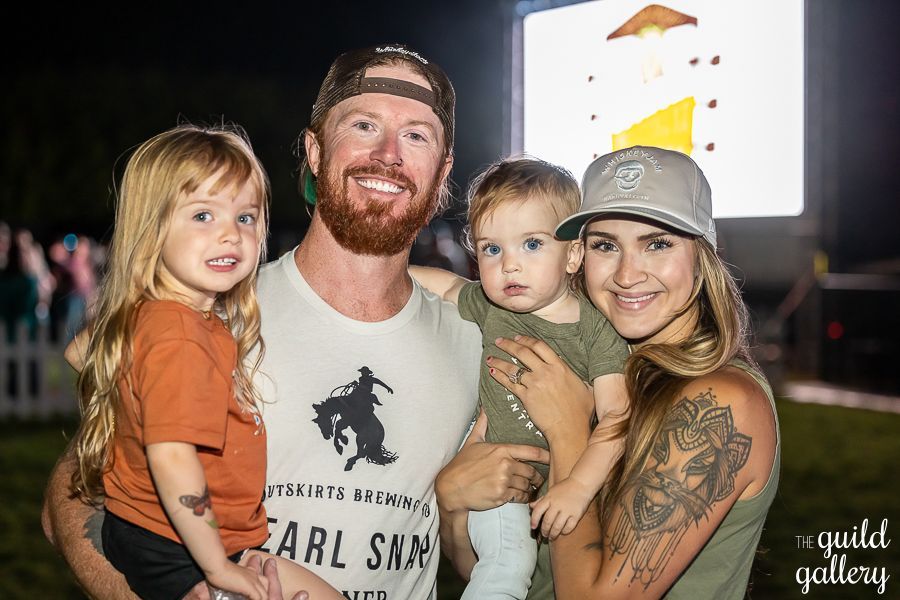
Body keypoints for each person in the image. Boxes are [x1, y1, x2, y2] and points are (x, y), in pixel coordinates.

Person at [43, 44, 547, 600]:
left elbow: (471, 554)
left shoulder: (478, 339)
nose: (387, 154)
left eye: (417, 136)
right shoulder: (212, 315)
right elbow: (74, 495)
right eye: (363, 124)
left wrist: (454, 501)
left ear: (442, 170)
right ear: (314, 149)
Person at [480, 146, 781, 598]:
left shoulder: (720, 403)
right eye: (605, 245)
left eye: (657, 244)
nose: (626, 274)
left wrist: (567, 432)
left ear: (703, 255)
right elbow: (497, 569)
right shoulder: (599, 374)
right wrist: (450, 501)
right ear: (577, 255)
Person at [64, 124, 340, 600]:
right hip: (183, 546)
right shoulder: (179, 334)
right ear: (152, 228)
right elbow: (171, 456)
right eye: (203, 215)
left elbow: (79, 352)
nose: (230, 233)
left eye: (246, 217)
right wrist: (217, 568)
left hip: (166, 532)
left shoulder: (168, 316)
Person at [410, 157, 629, 599]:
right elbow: (446, 286)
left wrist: (576, 488)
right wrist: (384, 274)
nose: (509, 265)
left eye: (531, 244)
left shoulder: (597, 329)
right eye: (492, 249)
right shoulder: (491, 308)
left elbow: (616, 418)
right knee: (508, 565)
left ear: (572, 254)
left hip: (568, 483)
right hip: (497, 480)